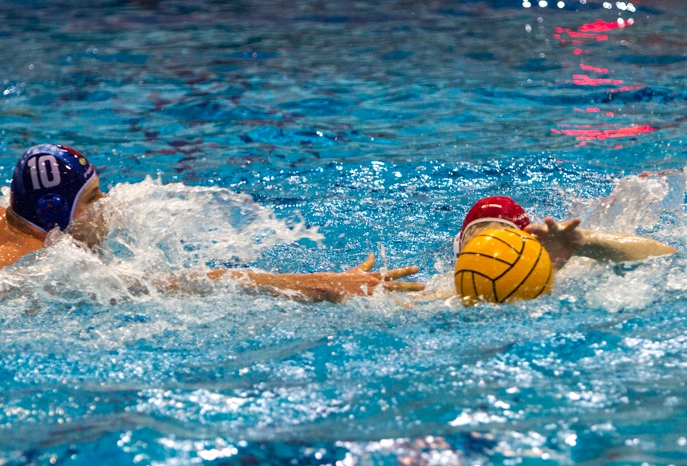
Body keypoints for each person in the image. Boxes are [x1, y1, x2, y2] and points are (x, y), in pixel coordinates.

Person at [0, 144, 424, 302]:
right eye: (93, 199)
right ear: (54, 212)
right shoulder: (37, 270)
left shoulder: (12, 210)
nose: (108, 206)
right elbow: (190, 284)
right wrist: (323, 285)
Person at [454, 196, 677, 271]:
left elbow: (665, 254)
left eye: (501, 244)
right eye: (476, 245)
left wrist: (585, 243)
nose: (489, 256)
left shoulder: (566, 272)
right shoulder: (450, 290)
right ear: (459, 250)